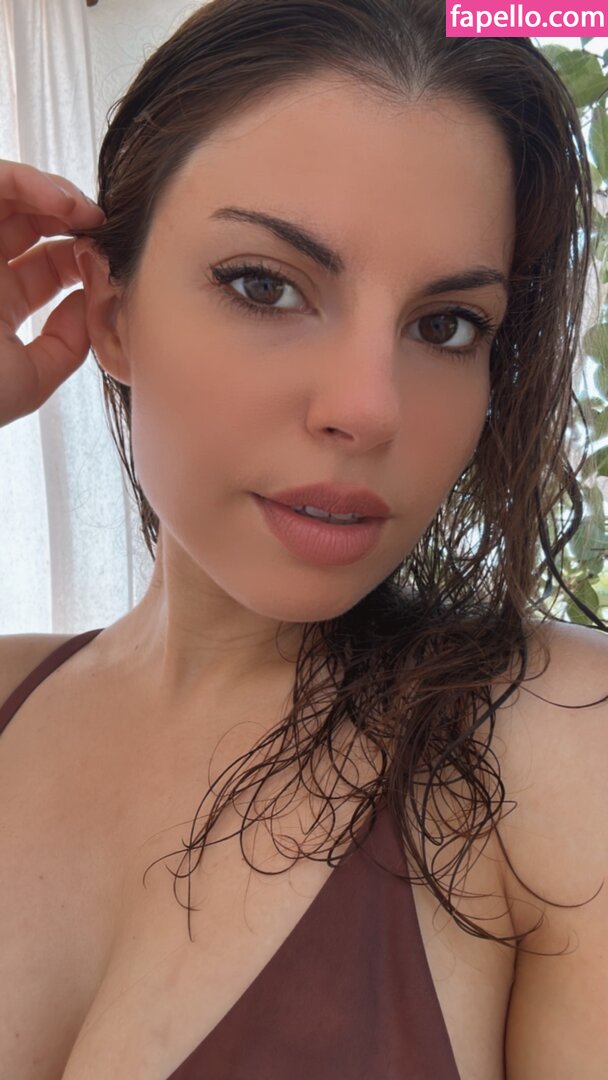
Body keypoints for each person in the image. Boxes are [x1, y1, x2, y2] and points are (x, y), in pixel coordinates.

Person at [1, 0, 607, 1076]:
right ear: (112, 316)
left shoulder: (561, 742)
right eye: (264, 285)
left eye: (445, 326)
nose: (368, 409)